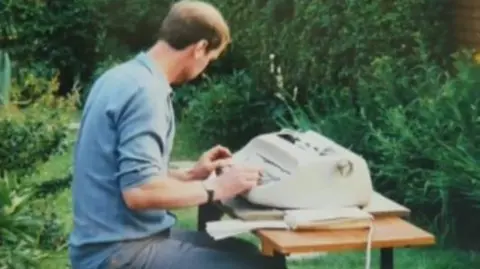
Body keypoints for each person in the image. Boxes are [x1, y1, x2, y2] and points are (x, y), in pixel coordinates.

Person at [68, 1, 287, 268]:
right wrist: (216, 187)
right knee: (262, 266)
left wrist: (188, 176)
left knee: (251, 256)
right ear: (200, 48)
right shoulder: (145, 93)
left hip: (108, 242)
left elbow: (125, 173)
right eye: (210, 58)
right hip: (118, 252)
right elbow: (139, 193)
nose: (205, 67)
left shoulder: (120, 77)